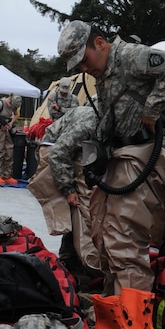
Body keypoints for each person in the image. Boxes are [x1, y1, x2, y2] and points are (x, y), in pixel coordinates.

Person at [57, 21, 165, 296]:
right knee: (104, 235)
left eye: (84, 59)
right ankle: (114, 306)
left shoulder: (130, 56)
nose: (83, 68)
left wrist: (153, 107)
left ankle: (133, 319)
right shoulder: (104, 72)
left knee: (124, 239)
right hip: (119, 158)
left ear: (99, 43)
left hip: (141, 154)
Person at [27, 105, 101, 288]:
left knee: (77, 212)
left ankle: (71, 262)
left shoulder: (99, 114)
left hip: (69, 150)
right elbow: (58, 155)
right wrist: (68, 189)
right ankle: (78, 264)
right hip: (54, 151)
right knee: (76, 206)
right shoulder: (89, 123)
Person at [0, 93, 22, 184]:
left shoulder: (13, 105)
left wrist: (11, 123)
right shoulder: (0, 104)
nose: (12, 108)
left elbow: (16, 115)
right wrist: (0, 124)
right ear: (10, 100)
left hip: (6, 129)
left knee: (9, 151)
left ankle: (7, 175)